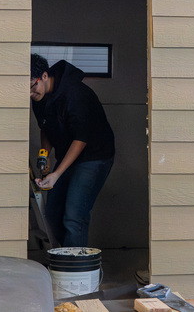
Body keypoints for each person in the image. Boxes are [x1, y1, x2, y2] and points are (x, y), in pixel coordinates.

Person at [30, 53, 115, 247]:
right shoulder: (38, 96)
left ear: (44, 76)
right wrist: (45, 155)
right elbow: (45, 126)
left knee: (74, 216)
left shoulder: (75, 94)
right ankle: (66, 258)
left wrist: (57, 173)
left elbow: (81, 139)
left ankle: (75, 271)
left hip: (94, 156)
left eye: (32, 87)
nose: (30, 94)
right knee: (52, 214)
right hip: (68, 154)